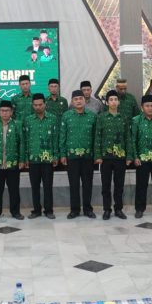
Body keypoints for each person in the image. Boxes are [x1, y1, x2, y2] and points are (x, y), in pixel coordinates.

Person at [61, 90, 98, 219]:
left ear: (84, 100)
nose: (78, 101)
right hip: (72, 157)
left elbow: (96, 137)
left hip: (88, 157)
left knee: (88, 184)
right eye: (75, 99)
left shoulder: (92, 116)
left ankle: (88, 209)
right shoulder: (66, 116)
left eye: (80, 98)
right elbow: (62, 136)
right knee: (74, 184)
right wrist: (63, 154)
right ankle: (74, 210)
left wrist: (96, 155)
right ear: (72, 101)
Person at [94, 90, 130, 220]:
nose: (113, 102)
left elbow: (128, 138)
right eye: (111, 100)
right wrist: (98, 155)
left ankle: (118, 209)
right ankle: (107, 209)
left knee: (119, 185)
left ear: (118, 102)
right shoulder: (101, 117)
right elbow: (98, 137)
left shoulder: (124, 118)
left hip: (120, 157)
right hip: (105, 157)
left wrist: (129, 156)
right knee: (106, 185)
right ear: (107, 102)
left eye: (115, 99)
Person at [0, 100, 25, 221]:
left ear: (11, 112)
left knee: (14, 189)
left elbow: (21, 143)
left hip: (13, 162)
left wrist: (22, 160)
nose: (5, 113)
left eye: (7, 111)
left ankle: (15, 212)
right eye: (2, 111)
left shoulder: (17, 124)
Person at [23, 93, 59, 219]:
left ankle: (49, 210)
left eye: (40, 104)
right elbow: (25, 140)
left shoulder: (53, 118)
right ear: (32, 105)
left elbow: (55, 138)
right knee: (35, 187)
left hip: (48, 158)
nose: (38, 107)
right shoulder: (28, 120)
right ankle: (36, 210)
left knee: (48, 186)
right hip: (33, 159)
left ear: (45, 104)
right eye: (35, 105)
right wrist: (26, 157)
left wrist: (55, 155)